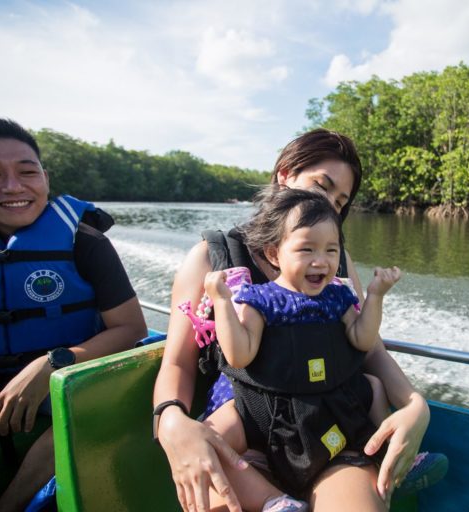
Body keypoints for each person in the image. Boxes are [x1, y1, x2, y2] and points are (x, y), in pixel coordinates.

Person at [153, 128, 438, 512]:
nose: (329, 205)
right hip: (247, 433)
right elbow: (177, 363)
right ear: (284, 175)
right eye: (322, 186)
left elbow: (369, 349)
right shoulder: (212, 258)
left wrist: (415, 405)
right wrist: (170, 420)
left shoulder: (337, 264)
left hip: (331, 431)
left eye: (340, 201)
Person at [0, 116, 148, 511]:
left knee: (96, 400)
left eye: (27, 172)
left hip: (66, 376)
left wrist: (52, 364)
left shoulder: (85, 242)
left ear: (45, 179)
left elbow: (130, 328)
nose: (13, 187)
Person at [197, 188, 401, 509]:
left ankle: (390, 456)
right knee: (205, 445)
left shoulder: (338, 297)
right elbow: (239, 355)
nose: (321, 261)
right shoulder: (260, 300)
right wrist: (222, 301)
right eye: (307, 249)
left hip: (324, 406)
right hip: (264, 409)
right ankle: (273, 502)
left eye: (331, 250)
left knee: (374, 387)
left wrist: (375, 296)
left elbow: (362, 340)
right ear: (274, 254)